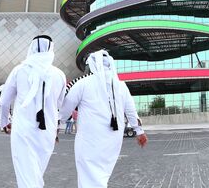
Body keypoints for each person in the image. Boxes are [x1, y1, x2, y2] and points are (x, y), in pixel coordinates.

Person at [59, 50, 147, 188]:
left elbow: (65, 109)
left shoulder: (83, 83)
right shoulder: (121, 85)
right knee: (101, 175)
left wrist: (56, 126)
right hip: (113, 139)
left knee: (88, 175)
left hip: (89, 139)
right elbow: (131, 111)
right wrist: (140, 132)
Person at [0, 35, 67, 188]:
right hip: (47, 132)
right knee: (35, 173)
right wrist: (56, 129)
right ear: (51, 48)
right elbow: (60, 105)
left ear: (31, 48)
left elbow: (4, 102)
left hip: (23, 130)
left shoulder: (18, 70)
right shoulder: (60, 75)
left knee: (27, 175)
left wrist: (4, 122)